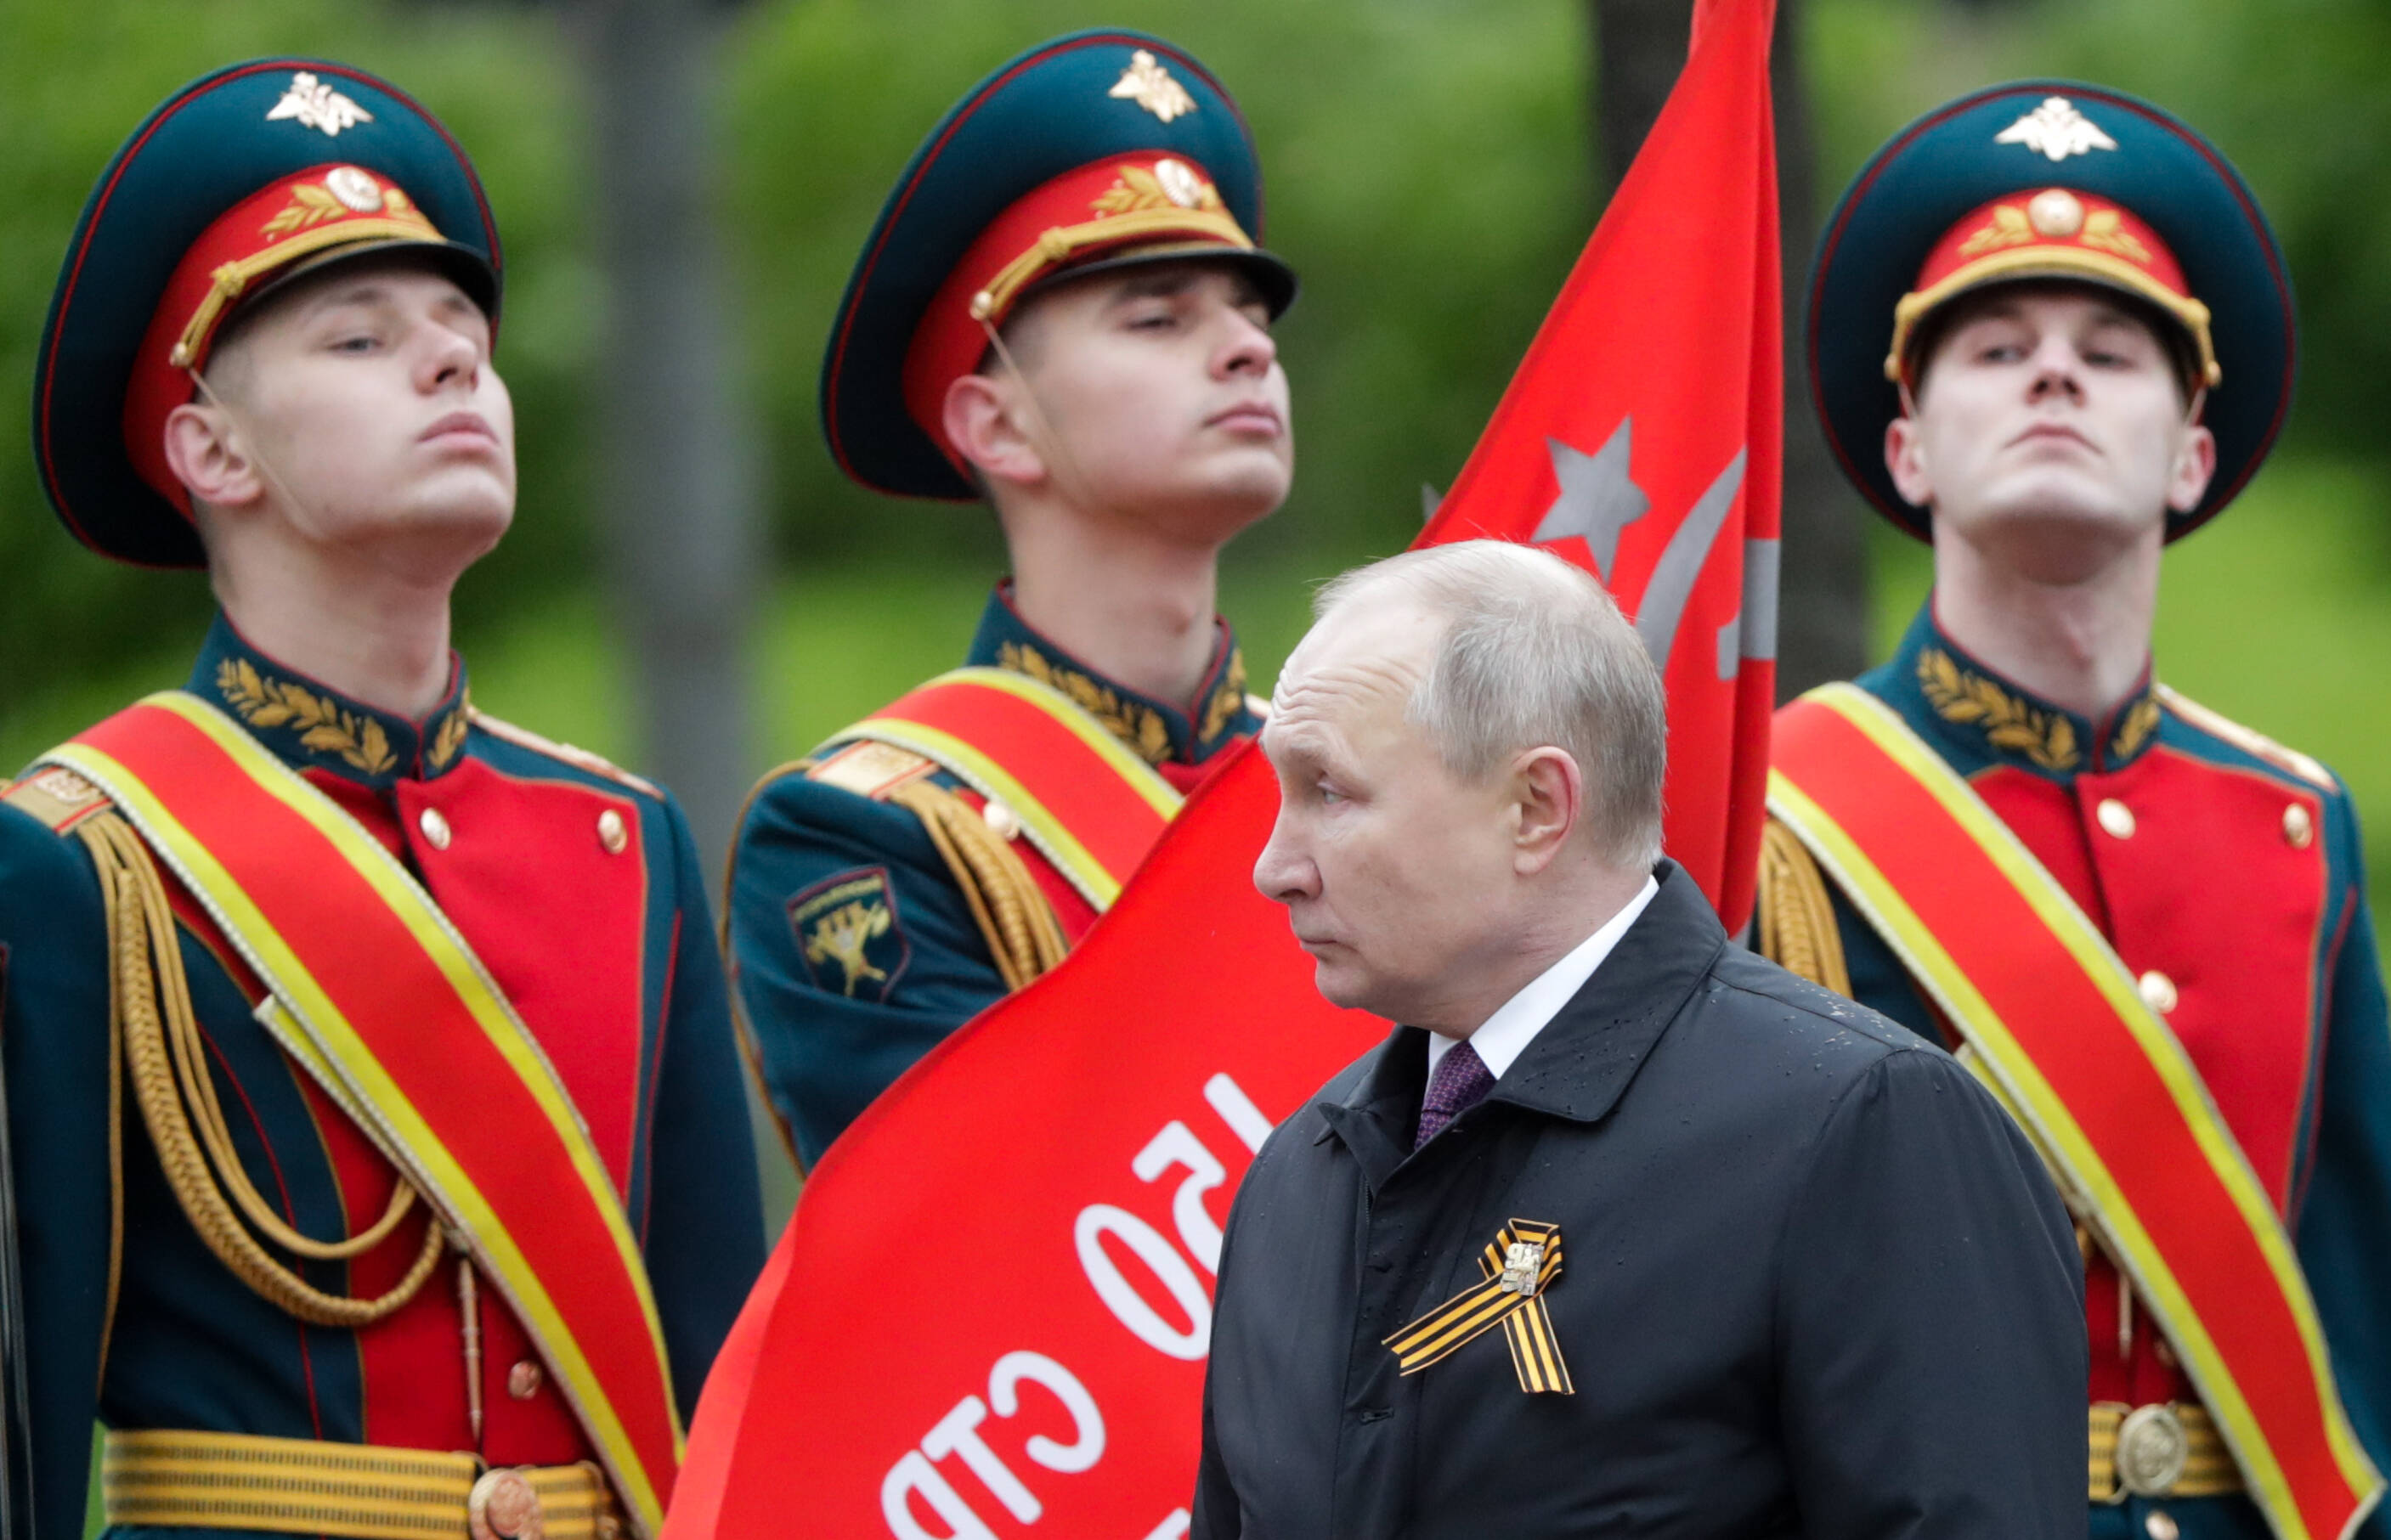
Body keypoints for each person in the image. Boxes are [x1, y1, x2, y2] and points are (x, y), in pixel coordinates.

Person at [2, 60, 762, 1540]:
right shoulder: (75, 857)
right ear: (209, 449)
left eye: (465, 345)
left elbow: (719, 1377)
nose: (450, 371)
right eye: (359, 340)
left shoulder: (629, 841)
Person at [1760, 82, 2391, 1540]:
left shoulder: (2296, 821)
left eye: (2109, 353)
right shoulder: (1784, 809)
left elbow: (2359, 1291)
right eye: (1994, 349)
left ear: (2186, 453)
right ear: (1907, 446)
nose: (2052, 375)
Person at [1196, 540, 2084, 1538]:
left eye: (1330, 791)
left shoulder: (1861, 1129)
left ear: (1536, 808)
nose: (1275, 867)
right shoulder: (1297, 1173)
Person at [726, 30, 1298, 1170]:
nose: (1244, 349)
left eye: (1250, 316)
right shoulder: (869, 831)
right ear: (994, 425)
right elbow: (979, 1263)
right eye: (1157, 316)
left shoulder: (1354, 775)